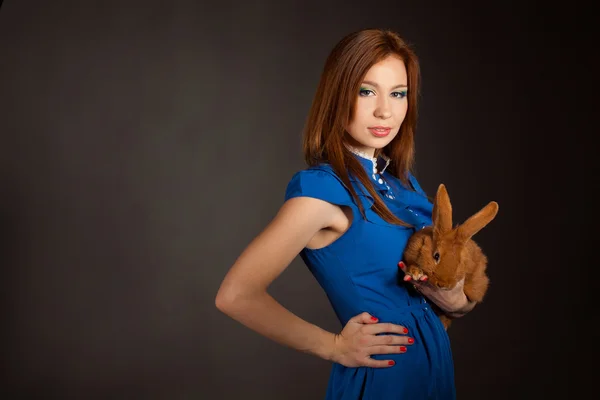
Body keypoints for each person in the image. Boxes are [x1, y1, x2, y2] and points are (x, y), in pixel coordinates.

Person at [215, 28, 477, 399]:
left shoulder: (403, 185)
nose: (384, 109)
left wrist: (457, 302)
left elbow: (442, 288)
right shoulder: (323, 191)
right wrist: (333, 345)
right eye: (366, 91)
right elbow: (235, 295)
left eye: (398, 94)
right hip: (384, 381)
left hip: (432, 377)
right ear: (339, 95)